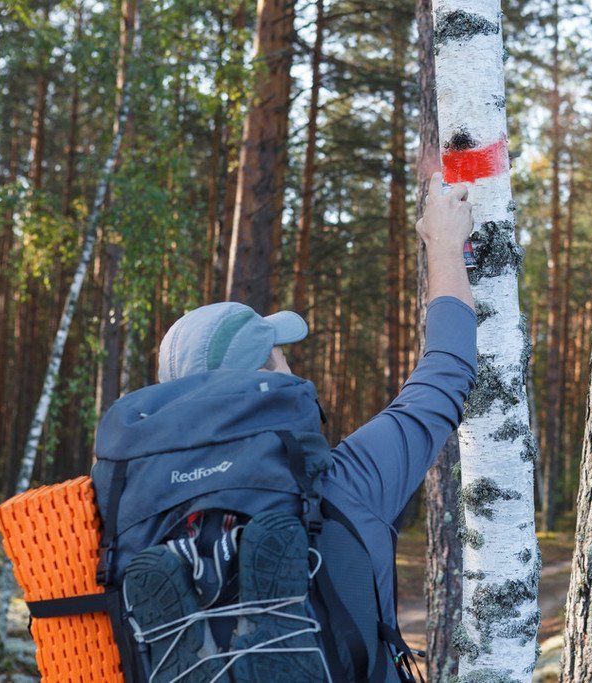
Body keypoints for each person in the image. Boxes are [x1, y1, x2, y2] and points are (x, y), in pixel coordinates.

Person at [144, 171, 477, 680]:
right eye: (281, 358)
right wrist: (445, 245)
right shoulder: (345, 482)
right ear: (269, 380)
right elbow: (446, 370)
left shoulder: (140, 511)